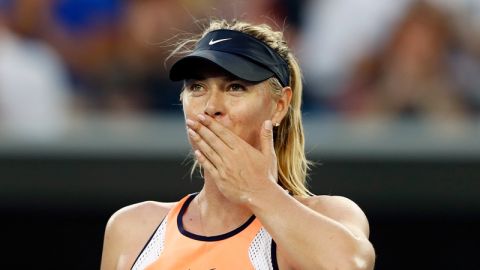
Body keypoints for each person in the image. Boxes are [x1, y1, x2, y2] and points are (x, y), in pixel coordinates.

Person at [100, 19, 375, 270]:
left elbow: (350, 265)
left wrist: (257, 189)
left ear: (279, 105)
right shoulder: (133, 228)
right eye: (197, 87)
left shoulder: (330, 214)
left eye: (235, 87)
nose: (211, 107)